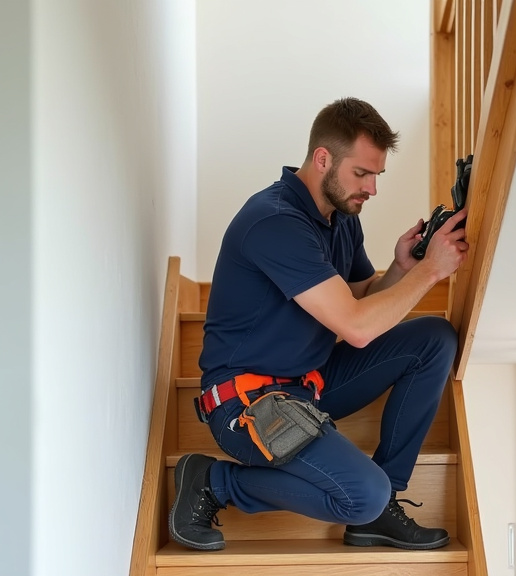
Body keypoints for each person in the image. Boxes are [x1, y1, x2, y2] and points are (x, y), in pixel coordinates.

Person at [168, 97, 469, 552]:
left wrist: (403, 269)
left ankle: (383, 506)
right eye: (362, 174)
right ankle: (215, 481)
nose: (371, 189)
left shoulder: (340, 217)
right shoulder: (273, 221)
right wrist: (432, 273)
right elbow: (357, 327)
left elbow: (358, 295)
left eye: (376, 176)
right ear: (322, 159)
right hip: (248, 403)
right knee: (360, 495)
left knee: (434, 338)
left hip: (310, 385)